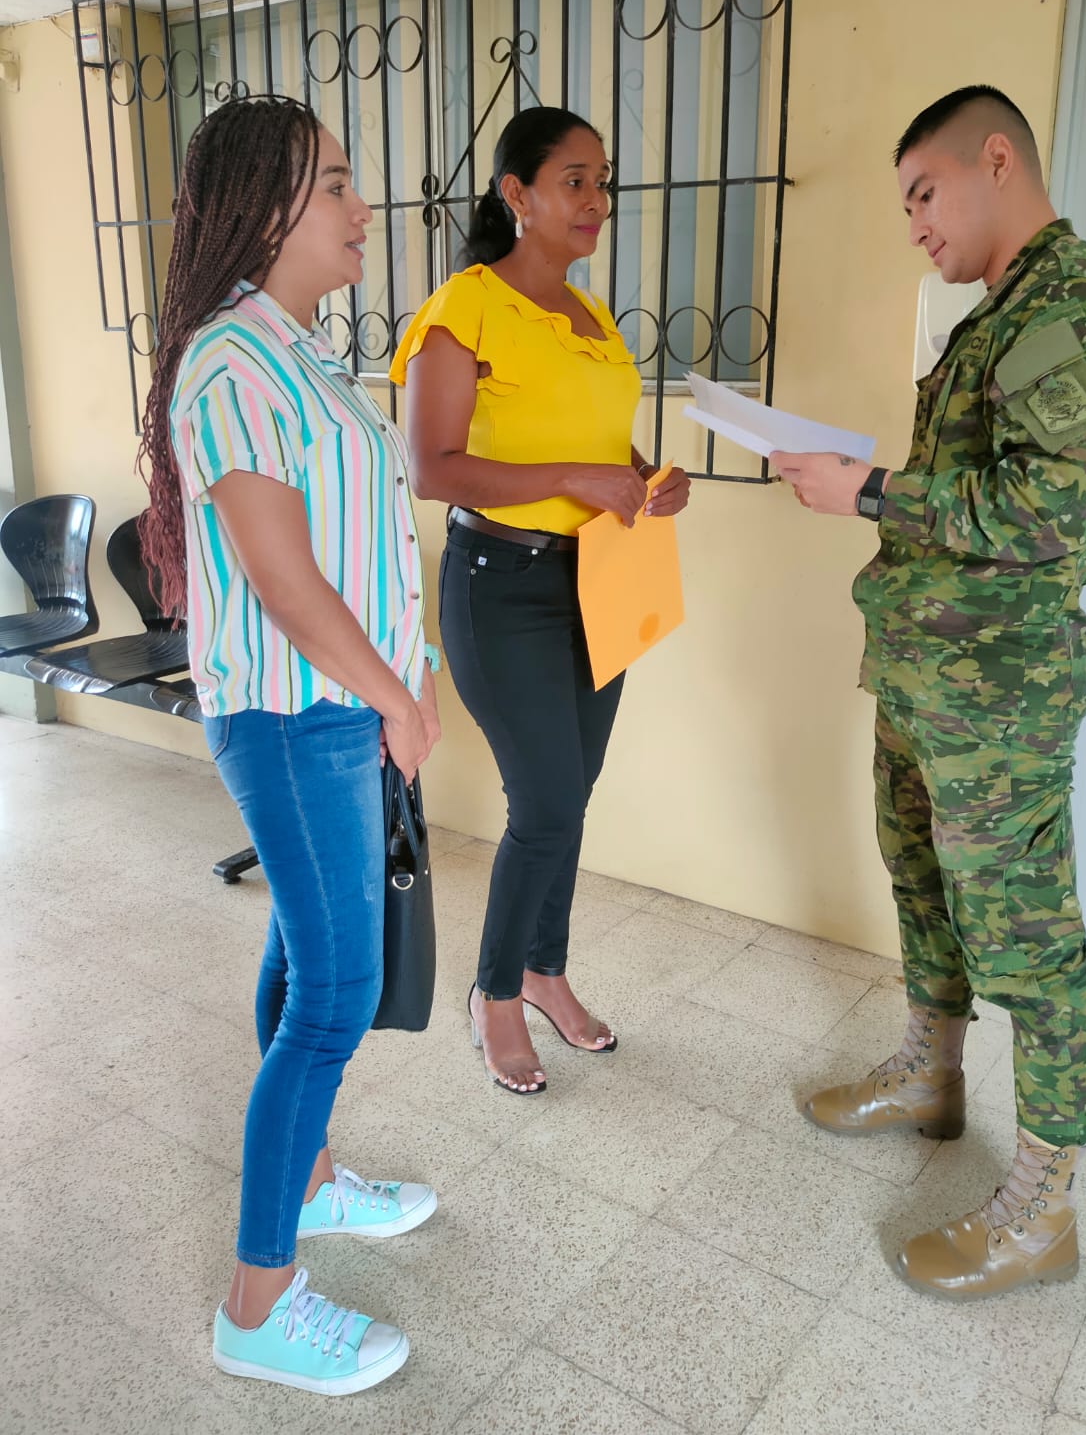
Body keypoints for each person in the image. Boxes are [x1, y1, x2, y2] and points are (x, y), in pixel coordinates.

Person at [771, 85, 1086, 1300]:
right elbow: (983, 496)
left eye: (923, 195)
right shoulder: (1000, 313)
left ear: (998, 160)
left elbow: (1056, 514)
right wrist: (870, 488)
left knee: (1029, 944)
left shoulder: (1075, 304)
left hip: (1000, 700)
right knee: (924, 885)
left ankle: (1041, 1207)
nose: (915, 227)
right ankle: (931, 1075)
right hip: (930, 678)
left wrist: (868, 490)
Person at [138, 95, 442, 1394]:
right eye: (333, 183)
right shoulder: (229, 362)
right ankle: (256, 1305)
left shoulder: (300, 353)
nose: (362, 206)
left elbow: (363, 546)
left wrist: (402, 678)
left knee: (304, 953)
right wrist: (397, 699)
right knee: (333, 994)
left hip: (338, 704)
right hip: (291, 709)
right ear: (264, 209)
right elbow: (282, 578)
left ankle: (310, 1183)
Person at [391, 105, 690, 1095]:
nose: (597, 199)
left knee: (572, 794)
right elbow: (433, 467)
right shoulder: (465, 307)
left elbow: (601, 447)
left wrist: (646, 479)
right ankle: (495, 994)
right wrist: (575, 477)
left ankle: (545, 969)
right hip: (502, 585)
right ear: (516, 194)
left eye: (604, 180)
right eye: (575, 180)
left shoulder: (592, 318)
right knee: (548, 802)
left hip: (598, 577)